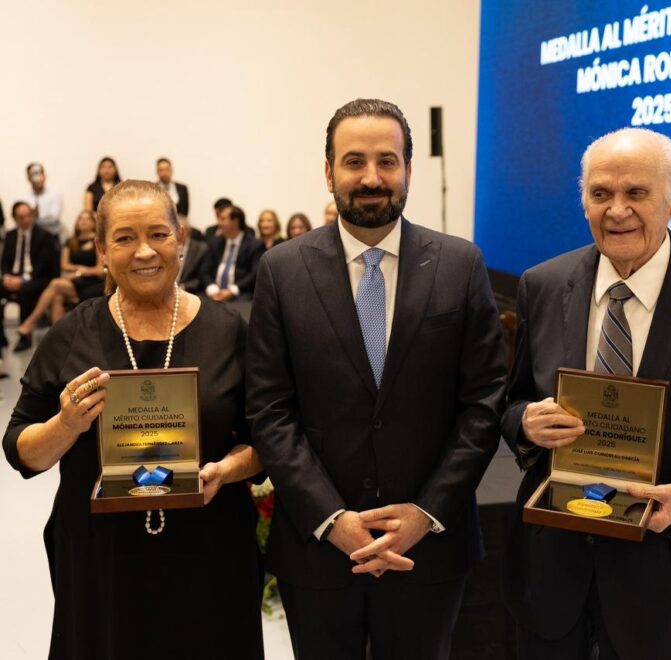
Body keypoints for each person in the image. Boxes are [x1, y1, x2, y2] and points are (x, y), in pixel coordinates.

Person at [246, 98, 507, 660]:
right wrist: (330, 518)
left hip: (428, 548)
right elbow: (269, 409)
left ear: (408, 169)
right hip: (318, 547)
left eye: (387, 161)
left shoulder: (461, 265)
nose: (371, 177)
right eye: (354, 161)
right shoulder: (281, 270)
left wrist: (425, 513)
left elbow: (484, 405)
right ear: (328, 172)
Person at [501, 128, 671, 660]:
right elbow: (512, 402)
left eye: (636, 193)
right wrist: (526, 422)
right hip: (552, 579)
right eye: (600, 193)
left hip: (666, 585)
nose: (617, 210)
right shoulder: (543, 285)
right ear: (583, 201)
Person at [2, 180, 264, 660]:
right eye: (124, 238)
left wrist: (224, 471)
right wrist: (66, 424)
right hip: (100, 559)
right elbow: (21, 450)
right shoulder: (72, 333)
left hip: (209, 550)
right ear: (102, 249)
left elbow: (264, 442)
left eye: (158, 234)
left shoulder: (228, 331)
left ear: (180, 239)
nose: (144, 251)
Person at [15, 210, 105, 352]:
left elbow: (99, 270)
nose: (83, 221)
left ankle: (30, 323)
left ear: (94, 223)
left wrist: (79, 272)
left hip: (92, 283)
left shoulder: (97, 242)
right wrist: (79, 270)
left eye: (87, 219)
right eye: (81, 219)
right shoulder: (71, 242)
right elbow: (64, 265)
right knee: (57, 296)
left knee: (56, 284)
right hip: (75, 281)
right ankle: (60, 340)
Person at [0, 201, 60, 346]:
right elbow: (5, 262)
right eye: (21, 217)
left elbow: (43, 266)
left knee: (25, 291)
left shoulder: (44, 235)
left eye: (29, 215)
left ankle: (25, 337)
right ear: (15, 219)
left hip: (37, 278)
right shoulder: (10, 235)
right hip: (14, 276)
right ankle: (1, 337)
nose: (26, 220)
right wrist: (7, 277)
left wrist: (23, 280)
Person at [205, 205, 264, 301]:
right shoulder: (215, 242)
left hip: (240, 293)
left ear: (235, 221)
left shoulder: (254, 245)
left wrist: (232, 291)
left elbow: (255, 274)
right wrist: (213, 289)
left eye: (223, 219)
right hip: (214, 292)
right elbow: (204, 271)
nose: (218, 223)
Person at [20, 162, 65, 243]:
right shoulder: (24, 198)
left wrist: (34, 217)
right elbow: (22, 221)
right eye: (34, 174)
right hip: (31, 239)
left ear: (44, 176)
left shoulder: (55, 195)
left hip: (52, 237)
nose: (37, 178)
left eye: (39, 173)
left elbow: (54, 218)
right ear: (28, 178)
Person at [177, 214, 211, 294]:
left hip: (189, 291)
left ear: (189, 231)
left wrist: (183, 287)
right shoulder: (167, 247)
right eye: (176, 230)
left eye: (182, 230)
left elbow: (202, 277)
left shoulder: (201, 249)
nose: (179, 233)